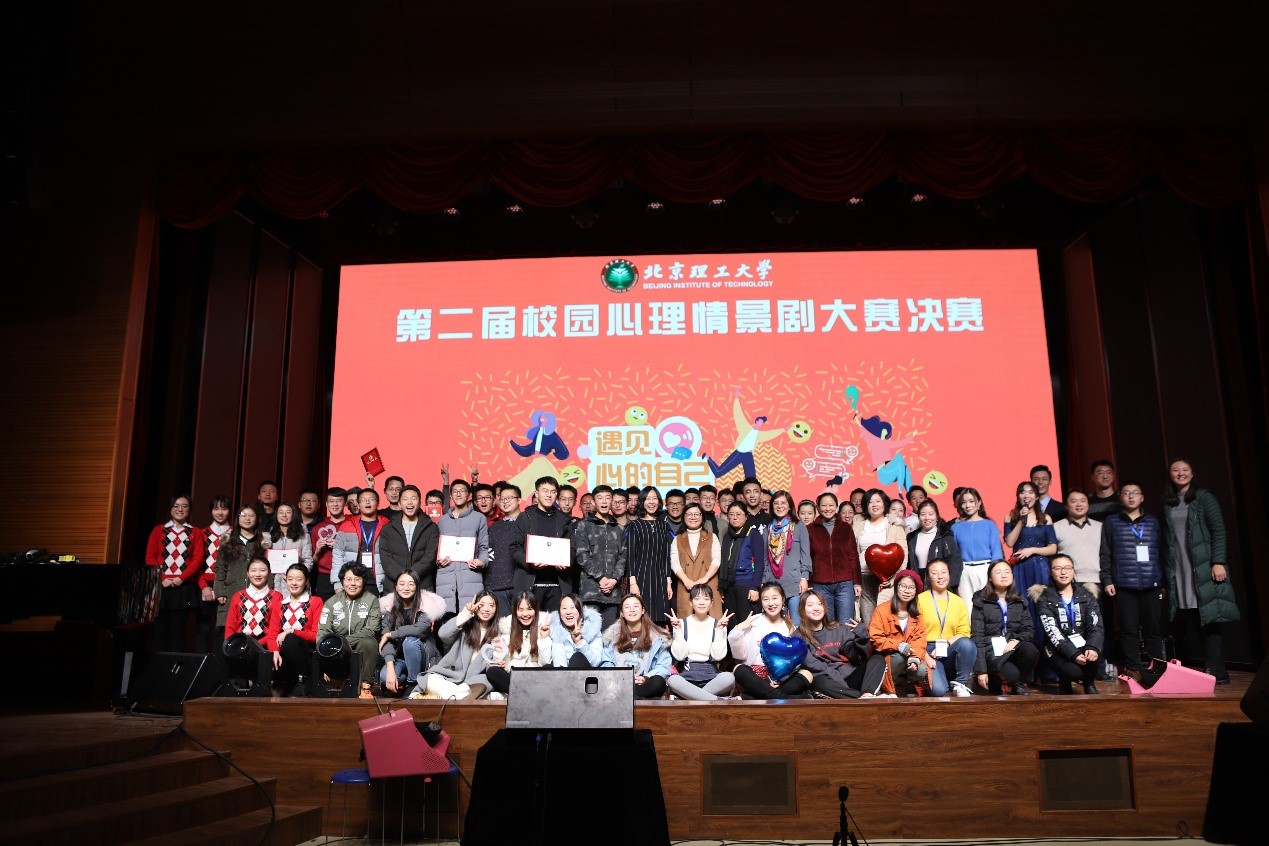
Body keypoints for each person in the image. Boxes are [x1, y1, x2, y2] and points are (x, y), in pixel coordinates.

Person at [1162, 459, 1238, 684]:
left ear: (1192, 473)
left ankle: (1216, 671)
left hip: (1204, 566)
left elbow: (1218, 530)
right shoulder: (1167, 503)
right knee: (1188, 618)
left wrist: (1218, 561)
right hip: (1179, 569)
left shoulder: (1204, 497)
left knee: (1209, 617)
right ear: (1170, 474)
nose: (1181, 473)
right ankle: (1197, 671)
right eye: (1176, 470)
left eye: (1185, 469)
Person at [1099, 481, 1165, 675]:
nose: (1130, 496)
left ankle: (1157, 667)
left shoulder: (1153, 522)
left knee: (1153, 629)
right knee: (1128, 629)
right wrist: (1107, 580)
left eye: (1135, 493)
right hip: (1124, 584)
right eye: (1126, 493)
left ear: (1142, 497)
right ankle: (1133, 667)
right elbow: (1105, 553)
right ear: (1120, 497)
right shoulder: (1111, 522)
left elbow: (1162, 552)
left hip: (1151, 583)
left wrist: (1163, 582)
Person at [1030, 554, 1103, 694]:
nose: (1063, 572)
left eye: (1067, 568)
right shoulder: (1044, 598)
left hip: (1083, 643)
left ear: (1073, 570)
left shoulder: (1086, 595)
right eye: (1058, 568)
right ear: (1051, 572)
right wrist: (1073, 653)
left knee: (1094, 653)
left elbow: (1096, 626)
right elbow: (1053, 632)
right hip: (1056, 648)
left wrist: (1092, 647)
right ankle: (1065, 682)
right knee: (1072, 671)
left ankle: (1089, 683)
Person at [144, 495, 207, 653]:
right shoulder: (159, 530)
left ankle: (176, 667)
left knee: (178, 632)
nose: (180, 509)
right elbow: (150, 557)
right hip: (161, 587)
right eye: (176, 506)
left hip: (183, 588)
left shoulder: (195, 532)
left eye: (185, 506)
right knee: (159, 631)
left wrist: (181, 578)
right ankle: (159, 666)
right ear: (170, 508)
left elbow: (198, 559)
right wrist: (161, 579)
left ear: (190, 510)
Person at [728, 582, 811, 699]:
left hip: (781, 678)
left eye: (774, 598)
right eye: (766, 599)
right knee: (739, 669)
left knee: (807, 674)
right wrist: (739, 629)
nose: (771, 603)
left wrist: (781, 679)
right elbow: (739, 655)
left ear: (783, 600)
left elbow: (793, 662)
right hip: (754, 678)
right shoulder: (753, 621)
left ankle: (752, 698)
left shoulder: (790, 627)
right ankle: (784, 698)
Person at [971, 560, 1038, 695]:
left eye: (1007, 572)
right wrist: (981, 670)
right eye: (998, 572)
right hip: (991, 651)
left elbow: (1029, 630)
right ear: (990, 577)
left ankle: (1017, 683)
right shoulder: (981, 600)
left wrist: (1016, 639)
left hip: (1012, 647)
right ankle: (1003, 679)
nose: (1004, 575)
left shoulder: (1019, 600)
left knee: (1030, 650)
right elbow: (977, 636)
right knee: (1012, 675)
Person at [1004, 481, 1059, 645]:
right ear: (1018, 496)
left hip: (1040, 567)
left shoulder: (1045, 518)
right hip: (1020, 568)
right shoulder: (1011, 517)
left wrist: (1032, 550)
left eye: (1030, 492)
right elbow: (1009, 542)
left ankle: (1045, 646)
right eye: (1022, 492)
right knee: (1022, 606)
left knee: (1042, 606)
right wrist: (1021, 520)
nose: (1026, 495)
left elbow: (1053, 548)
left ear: (1036, 496)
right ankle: (1026, 646)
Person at [378, 570, 444, 697]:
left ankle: (413, 684)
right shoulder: (389, 608)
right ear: (396, 586)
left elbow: (420, 629)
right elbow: (386, 642)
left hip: (422, 657)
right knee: (385, 677)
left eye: (411, 584)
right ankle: (405, 680)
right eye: (402, 584)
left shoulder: (426, 606)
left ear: (417, 586)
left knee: (410, 641)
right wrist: (390, 667)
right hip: (399, 658)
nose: (406, 588)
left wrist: (391, 634)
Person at [317, 562, 382, 693]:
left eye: (357, 579)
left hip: (359, 645)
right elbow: (323, 631)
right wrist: (324, 660)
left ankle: (365, 684)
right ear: (342, 581)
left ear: (364, 581)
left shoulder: (372, 600)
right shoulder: (331, 603)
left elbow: (372, 629)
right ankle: (337, 679)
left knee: (369, 642)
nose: (353, 584)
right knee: (326, 644)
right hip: (337, 651)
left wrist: (344, 643)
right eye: (348, 579)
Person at [702, 387, 791, 481]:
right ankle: (708, 458)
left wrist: (784, 429)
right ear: (756, 421)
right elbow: (738, 414)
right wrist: (736, 397)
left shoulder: (760, 435)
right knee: (719, 473)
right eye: (759, 421)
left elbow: (771, 434)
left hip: (748, 455)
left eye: (762, 423)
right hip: (739, 453)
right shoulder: (745, 428)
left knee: (752, 479)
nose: (760, 424)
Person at [797, 588, 872, 698]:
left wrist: (862, 637)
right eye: (810, 605)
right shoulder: (798, 637)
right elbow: (814, 666)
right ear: (802, 609)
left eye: (819, 604)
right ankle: (861, 699)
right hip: (830, 682)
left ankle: (868, 694)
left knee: (877, 659)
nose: (816, 608)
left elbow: (857, 657)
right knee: (819, 682)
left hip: (849, 676)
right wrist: (839, 680)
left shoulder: (838, 628)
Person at [422, 590, 497, 699]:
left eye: (491, 605)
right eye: (481, 605)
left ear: (496, 609)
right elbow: (443, 634)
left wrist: (498, 654)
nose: (486, 609)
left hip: (472, 681)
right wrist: (466, 614)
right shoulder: (464, 626)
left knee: (485, 683)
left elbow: (493, 666)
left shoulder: (498, 634)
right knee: (430, 679)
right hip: (450, 676)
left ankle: (451, 695)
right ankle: (457, 695)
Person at [748, 492, 809, 625]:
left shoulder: (799, 526)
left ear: (789, 506)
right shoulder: (767, 529)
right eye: (776, 503)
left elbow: (805, 555)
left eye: (783, 503)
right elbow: (764, 558)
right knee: (776, 623)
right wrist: (763, 580)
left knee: (796, 623)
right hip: (773, 584)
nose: (779, 506)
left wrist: (804, 577)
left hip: (794, 583)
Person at [666, 586, 736, 701]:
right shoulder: (681, 623)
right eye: (697, 598)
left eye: (706, 599)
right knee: (673, 680)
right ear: (691, 602)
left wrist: (719, 630)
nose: (701, 602)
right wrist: (678, 630)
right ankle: (718, 700)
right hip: (687, 675)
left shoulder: (719, 624)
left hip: (711, 675)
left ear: (711, 603)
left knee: (729, 677)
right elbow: (680, 656)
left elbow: (718, 656)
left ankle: (686, 698)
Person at [865, 569, 928, 697]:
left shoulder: (917, 615)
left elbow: (919, 640)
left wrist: (915, 658)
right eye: (903, 586)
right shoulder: (881, 610)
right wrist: (898, 645)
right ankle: (885, 686)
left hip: (908, 656)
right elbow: (875, 638)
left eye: (911, 588)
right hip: (885, 657)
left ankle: (904, 685)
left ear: (916, 592)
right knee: (899, 658)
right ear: (896, 587)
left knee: (921, 670)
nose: (907, 591)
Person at [573, 484, 628, 629]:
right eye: (600, 498)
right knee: (590, 633)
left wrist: (614, 580)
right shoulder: (584, 525)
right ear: (593, 502)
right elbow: (581, 555)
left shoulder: (619, 529)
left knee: (609, 635)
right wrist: (601, 578)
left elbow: (623, 557)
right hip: (590, 591)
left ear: (612, 501)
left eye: (607, 498)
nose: (604, 502)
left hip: (613, 593)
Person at [266, 562, 324, 696]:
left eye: (299, 579)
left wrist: (291, 631)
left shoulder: (315, 602)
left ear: (306, 581)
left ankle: (305, 680)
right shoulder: (279, 604)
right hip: (285, 653)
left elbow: (316, 635)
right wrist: (274, 651)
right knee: (271, 657)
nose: (294, 583)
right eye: (290, 579)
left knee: (290, 639)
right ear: (285, 580)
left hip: (307, 652)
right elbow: (272, 634)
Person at [852, 489, 908, 624]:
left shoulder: (894, 526)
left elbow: (903, 555)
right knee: (868, 621)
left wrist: (893, 579)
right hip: (863, 578)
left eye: (878, 501)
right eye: (870, 502)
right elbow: (852, 553)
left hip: (886, 581)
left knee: (885, 620)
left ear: (885, 504)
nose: (874, 505)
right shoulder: (858, 525)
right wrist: (855, 580)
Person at [437, 478, 492, 614]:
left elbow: (484, 546)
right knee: (447, 618)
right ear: (451, 495)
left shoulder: (479, 518)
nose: (458, 494)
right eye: (455, 491)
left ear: (469, 495)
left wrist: (482, 561)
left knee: (471, 617)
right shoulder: (443, 520)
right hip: (446, 576)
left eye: (462, 491)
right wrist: (438, 561)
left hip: (470, 575)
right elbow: (436, 549)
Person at [805, 492, 859, 626]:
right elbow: (808, 558)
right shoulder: (810, 529)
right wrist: (809, 583)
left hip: (844, 584)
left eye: (831, 505)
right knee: (827, 623)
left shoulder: (846, 528)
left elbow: (853, 556)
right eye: (824, 505)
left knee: (846, 624)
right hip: (820, 584)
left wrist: (857, 583)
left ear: (836, 507)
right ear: (818, 508)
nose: (827, 508)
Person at [603, 594, 672, 699]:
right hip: (620, 683)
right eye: (627, 607)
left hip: (644, 684)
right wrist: (618, 673)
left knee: (659, 682)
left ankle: (630, 698)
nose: (632, 610)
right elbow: (605, 663)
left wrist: (646, 677)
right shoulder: (612, 636)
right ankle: (635, 698)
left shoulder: (657, 637)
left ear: (643, 610)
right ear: (622, 613)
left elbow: (664, 666)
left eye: (636, 606)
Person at [213, 505, 269, 635]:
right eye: (244, 515)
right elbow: (220, 567)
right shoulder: (227, 540)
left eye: (251, 515)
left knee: (254, 629)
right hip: (231, 591)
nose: (247, 519)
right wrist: (220, 591)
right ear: (237, 518)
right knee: (229, 631)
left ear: (257, 519)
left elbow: (269, 568)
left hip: (257, 592)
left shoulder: (263, 541)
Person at [485, 592, 553, 698]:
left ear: (536, 610)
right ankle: (526, 696)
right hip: (513, 678)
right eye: (521, 610)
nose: (525, 614)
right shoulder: (506, 632)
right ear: (515, 611)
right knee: (492, 671)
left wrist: (543, 639)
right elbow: (499, 664)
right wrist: (499, 652)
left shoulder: (543, 628)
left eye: (529, 609)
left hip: (534, 678)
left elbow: (544, 662)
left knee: (549, 668)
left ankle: (522, 695)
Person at [624, 486, 675, 625]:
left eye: (654, 498)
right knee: (641, 618)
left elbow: (666, 556)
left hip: (660, 578)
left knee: (660, 618)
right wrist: (632, 583)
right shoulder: (635, 525)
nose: (651, 502)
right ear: (642, 502)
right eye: (647, 499)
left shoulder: (664, 525)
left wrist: (668, 582)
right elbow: (630, 556)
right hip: (640, 577)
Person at [379, 484, 440, 592]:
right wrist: (402, 579)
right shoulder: (388, 528)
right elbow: (386, 558)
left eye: (413, 498)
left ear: (419, 503)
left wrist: (411, 576)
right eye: (405, 499)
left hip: (422, 585)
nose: (410, 502)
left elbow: (430, 557)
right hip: (394, 585)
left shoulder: (431, 527)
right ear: (399, 504)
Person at [950, 488, 1004, 608]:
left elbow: (996, 553)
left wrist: (995, 574)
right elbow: (955, 556)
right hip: (965, 572)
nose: (967, 505)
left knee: (989, 607)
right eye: (964, 502)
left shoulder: (989, 525)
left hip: (986, 570)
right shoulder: (955, 528)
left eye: (971, 501)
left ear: (979, 503)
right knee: (968, 609)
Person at [331, 489, 390, 594]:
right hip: (353, 582)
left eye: (371, 499)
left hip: (379, 582)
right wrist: (337, 583)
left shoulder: (388, 525)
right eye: (363, 500)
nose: (367, 502)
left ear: (378, 504)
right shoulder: (346, 526)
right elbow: (337, 556)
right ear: (358, 505)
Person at [672, 503, 723, 618]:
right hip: (686, 584)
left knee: (713, 620)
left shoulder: (712, 537)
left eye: (696, 514)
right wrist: (686, 581)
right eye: (689, 514)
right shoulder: (678, 539)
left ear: (702, 517)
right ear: (684, 517)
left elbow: (716, 560)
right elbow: (674, 562)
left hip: (709, 582)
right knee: (686, 621)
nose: (693, 517)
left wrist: (705, 578)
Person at [196, 495, 232, 652]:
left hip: (226, 585)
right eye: (216, 508)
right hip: (205, 583)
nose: (220, 512)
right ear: (211, 511)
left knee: (221, 629)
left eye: (224, 508)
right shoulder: (202, 533)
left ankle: (218, 664)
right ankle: (201, 664)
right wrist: (204, 586)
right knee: (203, 628)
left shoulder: (234, 534)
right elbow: (196, 563)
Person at [719, 501, 762, 628]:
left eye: (738, 514)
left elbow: (759, 563)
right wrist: (721, 588)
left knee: (747, 623)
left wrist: (755, 587)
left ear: (746, 516)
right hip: (729, 586)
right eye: (731, 514)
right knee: (732, 624)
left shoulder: (753, 534)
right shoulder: (727, 536)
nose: (735, 517)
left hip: (746, 584)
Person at [906, 499, 964, 590]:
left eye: (931, 514)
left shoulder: (945, 535)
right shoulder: (911, 537)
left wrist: (949, 585)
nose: (927, 518)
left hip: (940, 581)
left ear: (937, 516)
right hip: (917, 582)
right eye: (923, 514)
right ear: (918, 517)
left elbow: (955, 563)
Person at [223, 557, 276, 648]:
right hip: (240, 645)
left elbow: (275, 629)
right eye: (253, 570)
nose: (257, 574)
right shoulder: (237, 596)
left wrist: (255, 645)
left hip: (266, 646)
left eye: (262, 570)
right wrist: (231, 645)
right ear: (247, 573)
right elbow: (230, 627)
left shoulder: (276, 597)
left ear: (269, 573)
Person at [486, 485, 523, 616]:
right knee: (502, 625)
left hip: (521, 585)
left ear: (519, 500)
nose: (505, 502)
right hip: (497, 587)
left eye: (509, 498)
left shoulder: (529, 524)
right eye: (502, 499)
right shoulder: (494, 527)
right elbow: (489, 555)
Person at [309, 487, 346, 600]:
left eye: (339, 500)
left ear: (345, 503)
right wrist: (318, 550)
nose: (335, 504)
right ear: (326, 504)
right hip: (325, 576)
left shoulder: (352, 525)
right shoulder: (318, 528)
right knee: (325, 608)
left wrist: (339, 546)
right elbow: (314, 560)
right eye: (331, 501)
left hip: (348, 574)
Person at [549, 593, 604, 668]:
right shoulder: (557, 630)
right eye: (564, 608)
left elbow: (596, 662)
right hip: (565, 673)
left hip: (586, 672)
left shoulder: (593, 629)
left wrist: (580, 642)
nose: (568, 612)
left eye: (572, 608)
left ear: (580, 611)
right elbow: (559, 659)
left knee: (577, 657)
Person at [268, 502, 314, 591]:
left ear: (293, 515)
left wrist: (296, 575)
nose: (284, 515)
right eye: (281, 512)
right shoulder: (270, 534)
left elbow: (308, 560)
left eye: (288, 512)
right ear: (276, 515)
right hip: (274, 584)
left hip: (297, 584)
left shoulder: (303, 534)